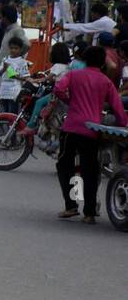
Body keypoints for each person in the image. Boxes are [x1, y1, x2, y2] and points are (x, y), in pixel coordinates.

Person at [53, 44, 127, 223]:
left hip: (71, 128)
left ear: (84, 60)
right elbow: (117, 107)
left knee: (65, 166)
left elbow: (58, 89)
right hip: (92, 131)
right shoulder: (105, 81)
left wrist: (70, 101)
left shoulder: (73, 75)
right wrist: (124, 125)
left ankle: (71, 206)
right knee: (90, 170)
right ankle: (89, 212)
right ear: (102, 63)